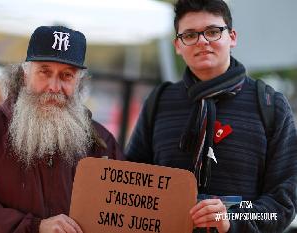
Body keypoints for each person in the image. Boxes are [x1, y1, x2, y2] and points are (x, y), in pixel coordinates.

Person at [125, 0, 297, 232]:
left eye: (213, 32)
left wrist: (232, 220)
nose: (202, 41)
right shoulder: (160, 101)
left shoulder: (270, 104)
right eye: (190, 35)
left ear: (232, 37)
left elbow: (283, 202)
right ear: (178, 45)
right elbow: (131, 183)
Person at [0, 25, 123, 232]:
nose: (54, 87)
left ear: (79, 83)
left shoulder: (102, 144)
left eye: (67, 75)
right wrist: (34, 228)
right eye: (44, 72)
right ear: (24, 76)